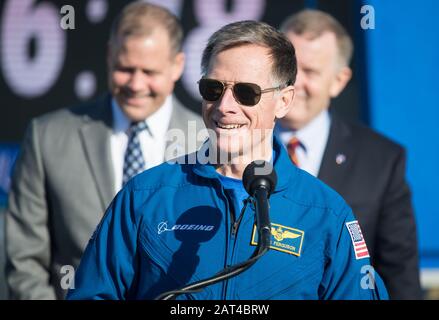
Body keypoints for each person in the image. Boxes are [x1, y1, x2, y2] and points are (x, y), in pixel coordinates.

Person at [67, 20, 388, 300]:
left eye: (246, 93)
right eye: (213, 88)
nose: (225, 106)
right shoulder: (144, 196)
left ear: (284, 100)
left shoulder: (325, 213)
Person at [5, 2, 204, 300]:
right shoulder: (47, 137)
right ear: (110, 56)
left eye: (149, 71)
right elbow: (23, 259)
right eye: (125, 69)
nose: (136, 84)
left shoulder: (206, 142)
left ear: (177, 65)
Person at [276, 9, 421, 299]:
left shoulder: (381, 160)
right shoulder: (237, 144)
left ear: (339, 81)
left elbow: (399, 274)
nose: (294, 83)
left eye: (311, 71)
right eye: (287, 68)